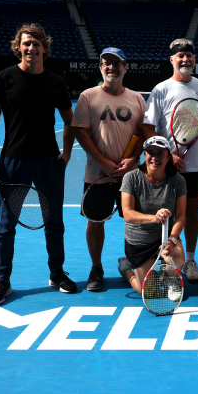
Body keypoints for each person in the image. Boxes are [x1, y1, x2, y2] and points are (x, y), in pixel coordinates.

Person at [0, 23, 76, 306]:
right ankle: (2, 281)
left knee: (54, 223)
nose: (31, 49)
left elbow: (70, 120)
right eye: (26, 44)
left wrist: (67, 153)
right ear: (18, 47)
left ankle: (57, 273)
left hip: (49, 161)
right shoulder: (2, 79)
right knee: (5, 226)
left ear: (44, 48)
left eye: (36, 44)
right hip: (13, 163)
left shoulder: (56, 82)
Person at [72, 47, 145, 291]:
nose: (111, 67)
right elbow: (80, 132)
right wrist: (103, 161)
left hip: (130, 177)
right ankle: (96, 268)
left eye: (117, 63)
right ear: (100, 67)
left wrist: (134, 159)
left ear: (125, 67)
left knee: (135, 223)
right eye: (107, 63)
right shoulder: (88, 96)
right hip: (98, 174)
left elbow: (143, 133)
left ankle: (136, 263)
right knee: (95, 221)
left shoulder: (136, 98)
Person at [143, 38, 198, 283]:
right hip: (168, 166)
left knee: (192, 212)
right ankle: (159, 259)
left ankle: (189, 259)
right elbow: (148, 128)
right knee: (166, 214)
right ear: (171, 59)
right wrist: (169, 154)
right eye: (180, 56)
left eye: (189, 55)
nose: (185, 59)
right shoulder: (161, 89)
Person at [119, 136, 186, 294]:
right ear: (145, 155)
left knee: (177, 257)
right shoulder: (131, 178)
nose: (155, 157)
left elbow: (181, 216)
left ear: (168, 156)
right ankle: (126, 269)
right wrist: (154, 218)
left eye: (160, 153)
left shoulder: (178, 181)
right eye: (151, 153)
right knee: (148, 292)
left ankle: (169, 274)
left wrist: (172, 239)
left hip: (164, 238)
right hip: (139, 241)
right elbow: (128, 214)